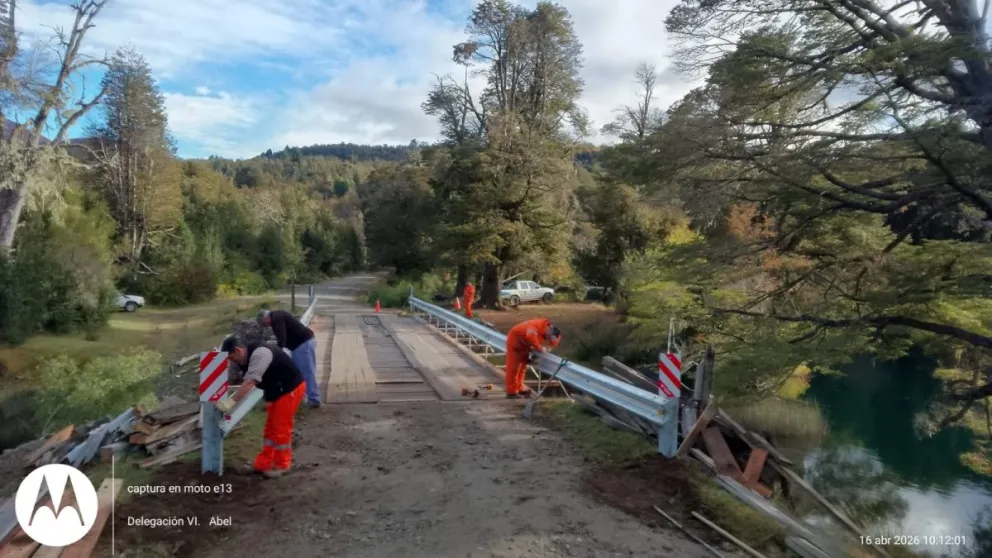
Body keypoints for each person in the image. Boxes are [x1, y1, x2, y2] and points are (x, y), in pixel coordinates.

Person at [216, 335, 306, 478]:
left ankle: (283, 465)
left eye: (232, 358)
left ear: (238, 350)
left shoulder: (259, 354)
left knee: (281, 428)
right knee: (270, 429)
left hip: (289, 389)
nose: (232, 362)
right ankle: (263, 463)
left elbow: (249, 382)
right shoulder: (247, 355)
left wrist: (231, 402)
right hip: (276, 390)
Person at [258, 309, 320, 408]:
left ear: (266, 318)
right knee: (298, 372)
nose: (266, 326)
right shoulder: (277, 316)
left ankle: (314, 399)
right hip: (299, 345)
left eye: (264, 323)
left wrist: (276, 354)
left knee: (306, 372)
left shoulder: (276, 318)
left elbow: (281, 338)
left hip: (302, 344)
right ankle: (305, 397)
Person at [504, 318, 561, 399]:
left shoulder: (548, 331)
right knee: (513, 368)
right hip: (515, 342)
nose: (547, 338)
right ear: (549, 329)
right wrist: (540, 348)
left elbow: (554, 341)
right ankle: (511, 392)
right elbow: (530, 336)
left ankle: (520, 388)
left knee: (522, 368)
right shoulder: (536, 326)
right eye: (548, 336)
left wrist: (549, 347)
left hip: (524, 344)